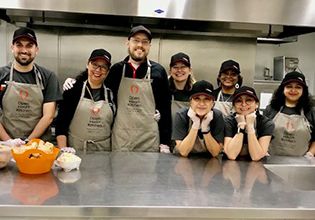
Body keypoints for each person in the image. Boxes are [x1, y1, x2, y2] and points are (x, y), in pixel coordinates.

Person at [63, 25, 172, 152]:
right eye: (136, 40)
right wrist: (76, 81)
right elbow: (97, 82)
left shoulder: (158, 71)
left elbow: (165, 107)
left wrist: (165, 142)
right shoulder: (117, 70)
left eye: (145, 42)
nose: (140, 45)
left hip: (148, 138)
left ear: (149, 46)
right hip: (121, 138)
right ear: (128, 43)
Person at [0, 27, 62, 143]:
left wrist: (29, 142)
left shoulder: (48, 77)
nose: (24, 50)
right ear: (12, 48)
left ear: (36, 49)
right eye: (19, 45)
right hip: (5, 146)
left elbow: (48, 116)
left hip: (38, 145)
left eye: (29, 45)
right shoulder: (1, 75)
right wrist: (9, 142)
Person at [55, 49, 115, 152]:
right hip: (75, 151)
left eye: (103, 67)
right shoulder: (73, 90)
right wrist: (64, 153)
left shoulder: (112, 94)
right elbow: (61, 125)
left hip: (104, 153)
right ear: (88, 64)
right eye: (95, 64)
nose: (98, 69)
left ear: (108, 71)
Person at [264, 71, 315, 157]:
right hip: (272, 161)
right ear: (283, 89)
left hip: (302, 164)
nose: (293, 90)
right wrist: (264, 151)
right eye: (289, 86)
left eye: (298, 87)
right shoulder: (271, 109)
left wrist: (310, 154)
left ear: (303, 90)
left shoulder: (310, 111)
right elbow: (262, 134)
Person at [172, 80, 224, 157]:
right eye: (197, 99)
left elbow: (215, 152)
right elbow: (183, 152)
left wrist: (205, 128)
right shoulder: (181, 115)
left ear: (213, 103)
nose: (202, 103)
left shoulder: (217, 116)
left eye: (206, 99)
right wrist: (195, 124)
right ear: (190, 102)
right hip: (183, 163)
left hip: (209, 162)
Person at [224, 86, 274, 161]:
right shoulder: (228, 121)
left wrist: (250, 126)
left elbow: (256, 157)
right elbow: (231, 155)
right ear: (234, 106)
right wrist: (241, 127)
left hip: (257, 168)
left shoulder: (266, 123)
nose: (244, 104)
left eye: (249, 100)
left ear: (256, 104)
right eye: (238, 101)